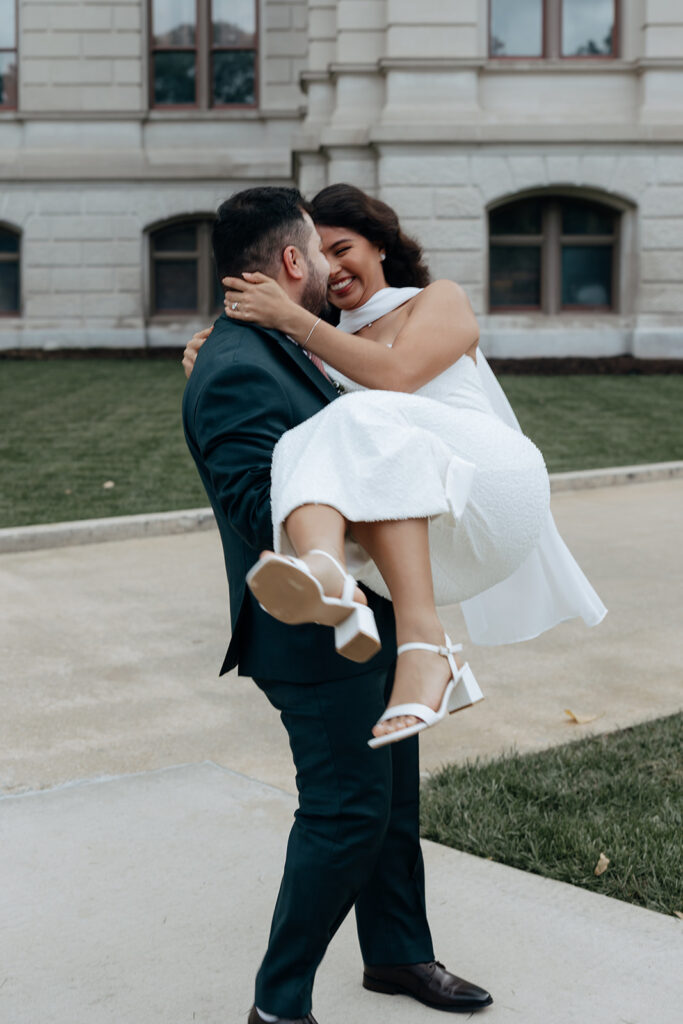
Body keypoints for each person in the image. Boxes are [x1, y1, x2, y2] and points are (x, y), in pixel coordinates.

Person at [182, 186, 494, 1024]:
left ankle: (397, 954)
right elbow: (254, 505)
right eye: (319, 252)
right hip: (311, 636)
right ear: (293, 260)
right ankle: (278, 1005)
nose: (329, 265)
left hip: (371, 618)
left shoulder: (286, 345)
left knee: (390, 803)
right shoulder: (237, 367)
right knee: (346, 813)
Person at [184, 184, 606, 751]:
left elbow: (398, 376)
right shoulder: (320, 343)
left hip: (491, 486)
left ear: (380, 245)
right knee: (320, 435)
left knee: (353, 415)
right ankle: (339, 584)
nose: (332, 267)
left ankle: (401, 626)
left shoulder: (436, 300)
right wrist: (216, 355)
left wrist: (290, 318)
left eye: (342, 249)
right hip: (427, 532)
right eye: (321, 253)